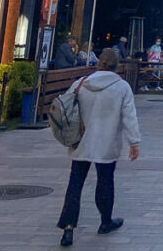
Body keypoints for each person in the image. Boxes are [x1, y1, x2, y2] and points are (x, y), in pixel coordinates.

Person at [55, 48, 140, 247]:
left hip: (81, 141)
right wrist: (134, 142)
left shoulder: (81, 84)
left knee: (75, 184)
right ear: (116, 65)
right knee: (105, 181)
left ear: (98, 63)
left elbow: (65, 108)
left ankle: (68, 228)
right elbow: (129, 116)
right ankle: (105, 221)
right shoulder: (122, 87)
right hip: (107, 142)